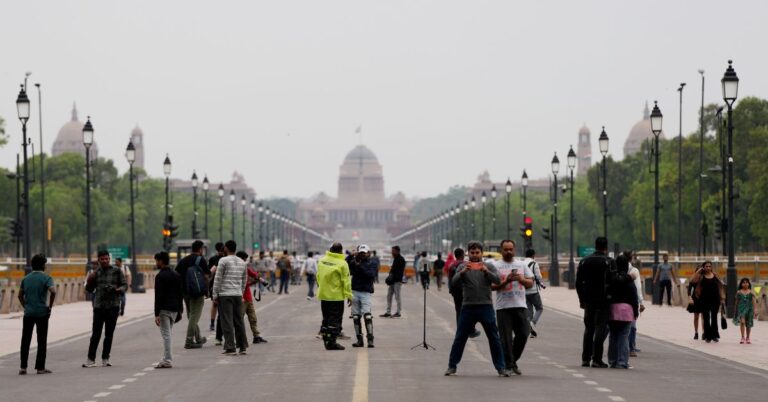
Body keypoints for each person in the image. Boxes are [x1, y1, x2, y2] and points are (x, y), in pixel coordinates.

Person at [445, 241, 507, 377]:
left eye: (477, 252)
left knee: (494, 338)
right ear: (468, 253)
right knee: (460, 337)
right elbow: (454, 282)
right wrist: (462, 273)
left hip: (486, 306)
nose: (474, 255)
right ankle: (452, 366)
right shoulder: (462, 266)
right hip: (468, 307)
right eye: (472, 253)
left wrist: (486, 272)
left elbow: (498, 281)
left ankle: (501, 367)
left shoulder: (489, 266)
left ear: (482, 253)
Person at [491, 240, 533, 375]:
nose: (508, 252)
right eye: (506, 249)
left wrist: (521, 279)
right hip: (503, 307)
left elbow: (530, 283)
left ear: (514, 250)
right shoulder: (495, 266)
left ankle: (512, 360)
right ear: (501, 250)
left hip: (520, 305)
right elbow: (492, 286)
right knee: (506, 339)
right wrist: (506, 281)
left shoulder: (522, 264)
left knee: (524, 333)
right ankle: (509, 366)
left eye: (511, 249)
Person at [83, 250, 128, 368]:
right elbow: (88, 290)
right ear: (98, 260)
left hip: (113, 306)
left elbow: (125, 285)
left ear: (109, 259)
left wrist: (117, 290)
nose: (104, 261)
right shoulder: (95, 273)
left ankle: (105, 358)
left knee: (109, 334)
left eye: (106, 258)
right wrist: (90, 279)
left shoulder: (117, 271)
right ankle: (90, 359)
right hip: (99, 306)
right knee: (95, 334)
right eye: (102, 259)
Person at [576, 237, 613, 368]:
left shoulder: (584, 261)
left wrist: (582, 300)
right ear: (606, 247)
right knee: (600, 329)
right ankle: (597, 359)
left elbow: (578, 283)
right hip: (603, 300)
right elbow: (613, 282)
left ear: (595, 246)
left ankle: (585, 359)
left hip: (589, 300)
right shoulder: (609, 262)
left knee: (589, 329)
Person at [18, 254, 55, 375]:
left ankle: (23, 367)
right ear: (43, 265)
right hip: (42, 313)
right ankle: (40, 368)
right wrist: (50, 306)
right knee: (41, 340)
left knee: (25, 339)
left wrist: (26, 306)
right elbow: (53, 291)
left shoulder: (26, 278)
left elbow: (19, 295)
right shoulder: (47, 278)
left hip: (28, 313)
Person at [212, 240, 248, 355]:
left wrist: (215, 294)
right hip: (237, 295)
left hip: (225, 295)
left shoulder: (223, 260)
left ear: (226, 248)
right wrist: (241, 292)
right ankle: (242, 346)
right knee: (239, 321)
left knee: (227, 321)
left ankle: (230, 347)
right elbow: (244, 280)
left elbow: (218, 278)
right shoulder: (242, 262)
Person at [317, 242, 353, 350]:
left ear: (331, 249)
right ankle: (331, 342)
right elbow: (346, 281)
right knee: (335, 319)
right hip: (336, 296)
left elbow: (318, 276)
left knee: (326, 318)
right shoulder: (342, 263)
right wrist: (349, 295)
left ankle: (326, 340)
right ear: (341, 251)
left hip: (324, 295)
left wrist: (322, 288)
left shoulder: (322, 260)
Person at [175, 240, 210, 349]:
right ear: (200, 249)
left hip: (186, 292)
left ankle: (198, 338)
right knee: (194, 316)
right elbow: (206, 276)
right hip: (197, 292)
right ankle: (189, 341)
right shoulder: (201, 260)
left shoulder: (183, 260)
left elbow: (176, 274)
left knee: (191, 315)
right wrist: (207, 290)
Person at [606, 254, 639, 369]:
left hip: (613, 310)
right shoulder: (629, 280)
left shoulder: (613, 279)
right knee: (624, 337)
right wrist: (636, 312)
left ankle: (612, 361)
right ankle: (622, 362)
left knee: (613, 336)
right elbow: (634, 297)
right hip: (626, 311)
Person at [153, 251, 183, 369]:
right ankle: (166, 358)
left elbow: (158, 296)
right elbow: (180, 294)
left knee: (166, 335)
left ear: (161, 261)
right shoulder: (176, 275)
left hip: (164, 309)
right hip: (174, 308)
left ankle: (167, 360)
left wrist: (156, 313)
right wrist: (180, 309)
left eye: (156, 261)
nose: (156, 263)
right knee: (168, 333)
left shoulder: (160, 276)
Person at [448, 248, 481, 338]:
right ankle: (471, 330)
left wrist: (450, 290)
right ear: (462, 255)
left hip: (455, 291)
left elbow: (450, 279)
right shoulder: (465, 264)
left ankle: (460, 331)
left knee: (459, 311)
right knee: (469, 310)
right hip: (465, 291)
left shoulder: (452, 265)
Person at [349, 244, 377, 348]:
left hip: (366, 292)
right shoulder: (354, 262)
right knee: (355, 316)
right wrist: (351, 256)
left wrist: (359, 266)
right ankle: (359, 340)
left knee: (367, 315)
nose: (362, 255)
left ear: (368, 253)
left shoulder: (372, 263)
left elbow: (371, 275)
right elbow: (346, 267)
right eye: (360, 253)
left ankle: (370, 339)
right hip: (355, 291)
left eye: (364, 253)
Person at [689, 261, 725, 343]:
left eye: (709, 266)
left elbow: (720, 286)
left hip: (715, 299)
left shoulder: (715, 275)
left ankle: (714, 335)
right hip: (704, 300)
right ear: (703, 267)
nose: (708, 268)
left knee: (714, 317)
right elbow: (692, 281)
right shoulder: (701, 276)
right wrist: (698, 271)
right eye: (706, 266)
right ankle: (707, 336)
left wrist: (722, 298)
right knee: (706, 318)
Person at [236, 251, 267, 344]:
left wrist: (259, 278)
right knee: (239, 319)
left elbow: (253, 274)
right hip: (241, 298)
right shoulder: (236, 270)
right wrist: (253, 282)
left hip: (248, 297)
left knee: (253, 318)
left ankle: (256, 336)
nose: (245, 261)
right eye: (244, 259)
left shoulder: (245, 268)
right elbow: (241, 284)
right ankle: (239, 338)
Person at [626, 251, 645, 357]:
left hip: (617, 301)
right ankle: (631, 348)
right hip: (631, 301)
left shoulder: (615, 269)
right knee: (632, 325)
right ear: (631, 258)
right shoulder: (634, 270)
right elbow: (638, 288)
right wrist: (641, 302)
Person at [524, 249, 544, 338]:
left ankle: (531, 333)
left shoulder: (521, 263)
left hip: (525, 291)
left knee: (529, 311)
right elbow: (539, 276)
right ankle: (532, 323)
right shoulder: (534, 263)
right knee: (539, 308)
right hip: (533, 291)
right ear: (533, 255)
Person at [381, 246, 405, 318]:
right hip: (392, 281)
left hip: (397, 281)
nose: (392, 252)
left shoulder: (401, 259)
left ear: (397, 251)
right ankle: (388, 312)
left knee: (397, 297)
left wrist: (392, 276)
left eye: (393, 251)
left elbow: (399, 271)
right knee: (389, 296)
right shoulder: (395, 259)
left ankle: (398, 312)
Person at [733, 278, 758, 344]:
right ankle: (742, 337)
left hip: (750, 309)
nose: (745, 284)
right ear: (741, 284)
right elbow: (736, 302)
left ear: (749, 284)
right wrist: (735, 310)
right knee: (742, 322)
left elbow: (754, 302)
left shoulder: (751, 292)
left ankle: (748, 337)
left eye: (746, 282)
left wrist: (755, 310)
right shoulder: (739, 292)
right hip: (741, 309)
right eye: (743, 282)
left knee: (748, 324)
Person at [208, 242, 225, 331]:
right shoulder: (214, 259)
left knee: (216, 304)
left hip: (218, 284)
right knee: (215, 304)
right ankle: (212, 322)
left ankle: (213, 323)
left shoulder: (215, 258)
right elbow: (209, 273)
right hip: (216, 284)